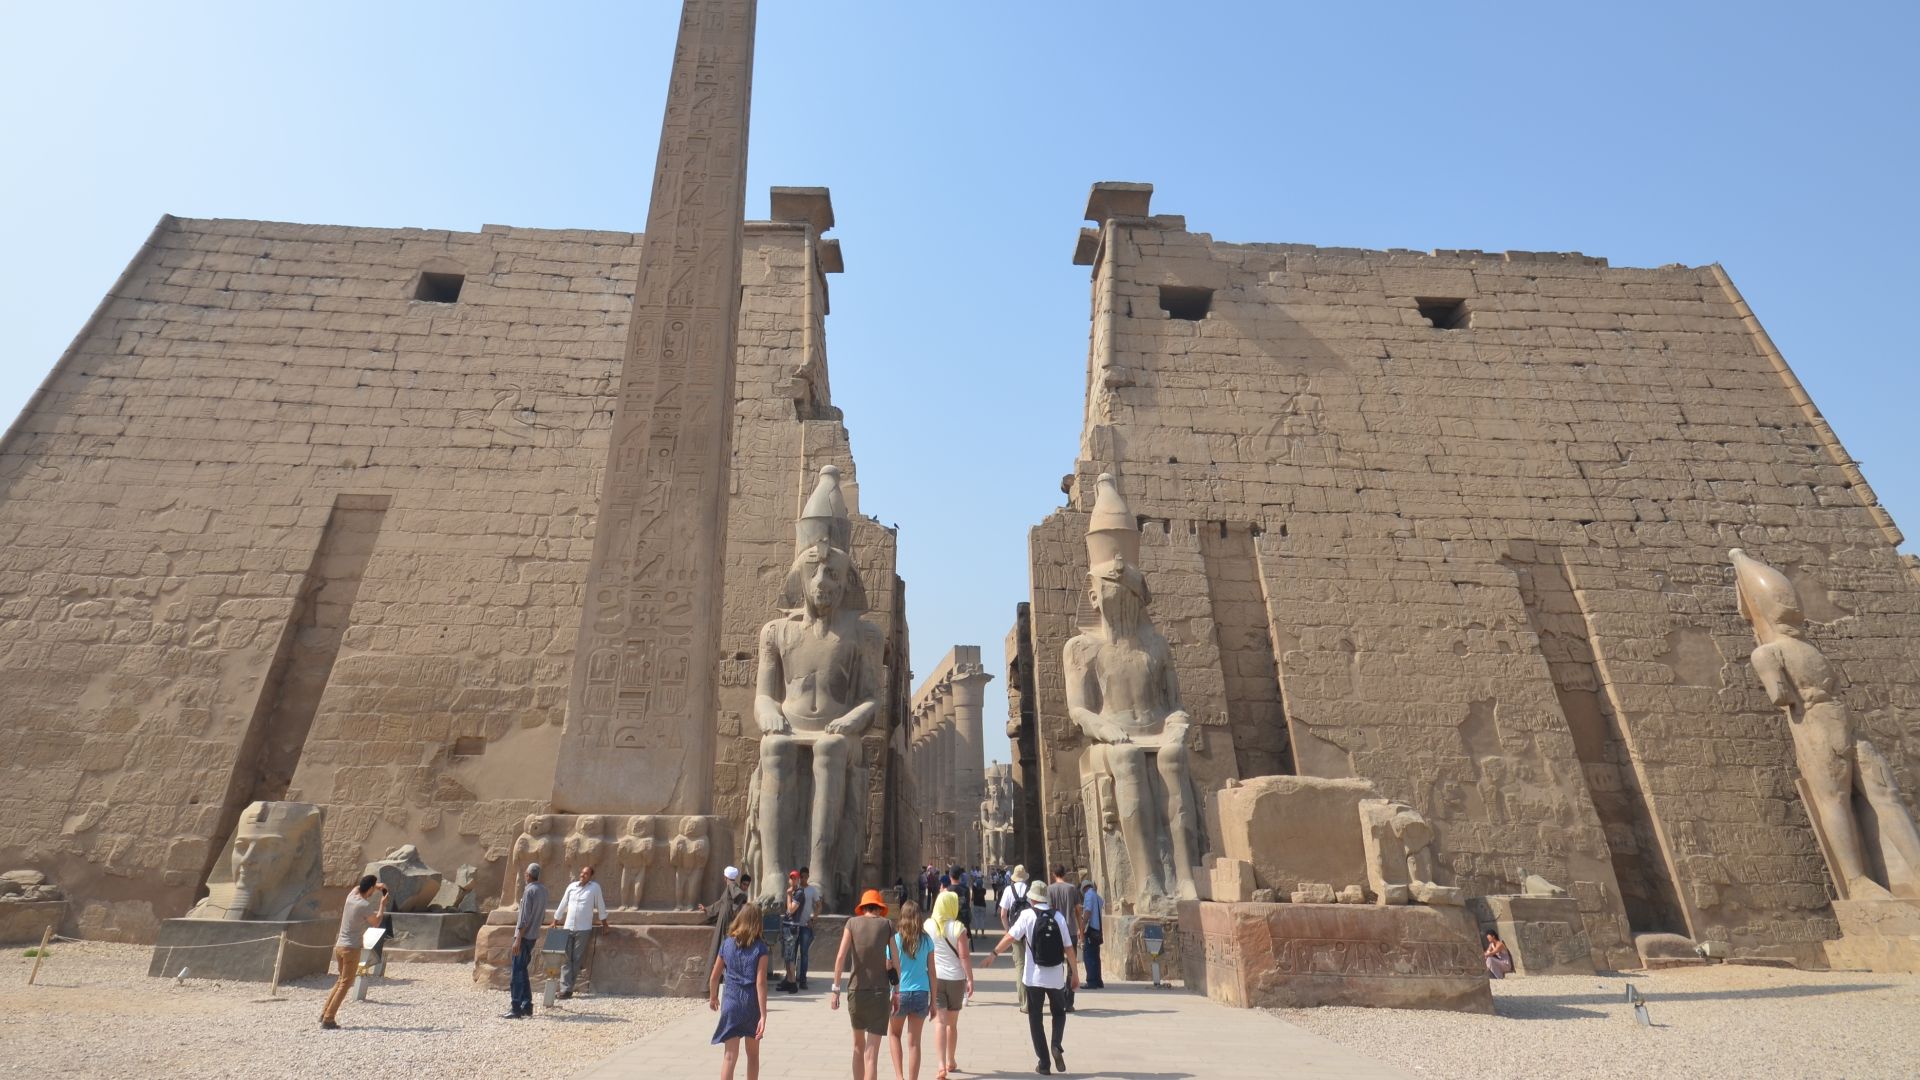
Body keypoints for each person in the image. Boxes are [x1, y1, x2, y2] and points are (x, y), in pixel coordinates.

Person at [985, 880, 1078, 1076]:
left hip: (1033, 977)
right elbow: (1069, 948)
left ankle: (1044, 1063)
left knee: (1036, 1019)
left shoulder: (1027, 915)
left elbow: (1010, 937)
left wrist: (993, 954)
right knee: (1059, 1014)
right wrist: (1075, 974)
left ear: (1032, 899)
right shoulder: (1058, 917)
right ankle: (1056, 1045)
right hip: (1056, 977)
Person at [832, 889, 895, 1080]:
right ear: (879, 908)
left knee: (858, 1047)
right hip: (880, 991)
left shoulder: (852, 923)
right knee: (872, 1053)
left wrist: (835, 989)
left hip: (856, 990)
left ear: (863, 907)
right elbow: (896, 959)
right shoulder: (887, 925)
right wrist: (898, 990)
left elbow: (841, 956)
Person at [709, 902, 771, 1080]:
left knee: (729, 1056)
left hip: (731, 1001)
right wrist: (764, 1014)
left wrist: (713, 996)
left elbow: (715, 976)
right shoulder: (761, 948)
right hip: (751, 1004)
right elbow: (761, 982)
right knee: (753, 1056)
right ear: (758, 922)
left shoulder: (727, 944)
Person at [320, 875, 388, 1029]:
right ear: (370, 888)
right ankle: (329, 1019)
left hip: (340, 946)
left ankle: (325, 1012)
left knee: (340, 981)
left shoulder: (351, 895)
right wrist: (382, 904)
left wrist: (377, 886)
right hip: (351, 948)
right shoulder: (363, 905)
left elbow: (359, 887)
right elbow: (376, 922)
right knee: (346, 983)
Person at [926, 890, 975, 1080]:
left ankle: (940, 1065)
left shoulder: (929, 925)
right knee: (951, 1025)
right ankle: (951, 1060)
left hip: (935, 978)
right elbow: (964, 956)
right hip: (955, 979)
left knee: (939, 1022)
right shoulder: (958, 927)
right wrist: (970, 979)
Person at [886, 901, 934, 1080]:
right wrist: (933, 1001)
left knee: (894, 1034)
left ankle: (899, 1076)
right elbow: (933, 972)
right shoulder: (927, 940)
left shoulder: (895, 940)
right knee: (914, 1043)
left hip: (900, 993)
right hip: (921, 993)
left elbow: (887, 965)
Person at [551, 863, 609, 999]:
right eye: (582, 873)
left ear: (591, 876)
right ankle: (566, 988)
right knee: (566, 958)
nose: (583, 875)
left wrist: (604, 923)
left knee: (576, 959)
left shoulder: (594, 888)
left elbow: (600, 905)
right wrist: (555, 920)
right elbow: (563, 903)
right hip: (568, 926)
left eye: (586, 874)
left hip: (583, 928)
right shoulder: (572, 887)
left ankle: (567, 989)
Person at [505, 862, 549, 1019]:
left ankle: (516, 1007)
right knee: (522, 970)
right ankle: (527, 1004)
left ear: (528, 875)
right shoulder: (543, 891)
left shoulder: (529, 891)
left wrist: (518, 938)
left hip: (523, 937)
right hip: (533, 936)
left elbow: (524, 918)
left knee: (517, 972)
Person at [998, 865, 1032, 1013]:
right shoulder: (1029, 890)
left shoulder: (1008, 890)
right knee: (1031, 964)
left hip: (1016, 932)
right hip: (1029, 932)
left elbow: (1003, 914)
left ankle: (1024, 1002)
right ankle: (1032, 999)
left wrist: (1008, 932)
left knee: (1020, 966)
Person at [790, 866, 821, 990]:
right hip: (794, 925)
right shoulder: (795, 889)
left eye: (805, 877)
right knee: (791, 954)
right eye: (800, 877)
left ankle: (803, 979)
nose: (802, 879)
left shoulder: (812, 890)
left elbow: (818, 905)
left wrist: (813, 918)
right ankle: (791, 978)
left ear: (808, 877)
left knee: (804, 954)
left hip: (805, 925)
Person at [1078, 880, 1105, 989]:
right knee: (1096, 956)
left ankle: (1091, 981)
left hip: (1091, 930)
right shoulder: (1097, 896)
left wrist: (1082, 926)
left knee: (1089, 956)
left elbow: (1088, 911)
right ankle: (1098, 980)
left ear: (1084, 889)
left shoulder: (1089, 895)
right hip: (1098, 930)